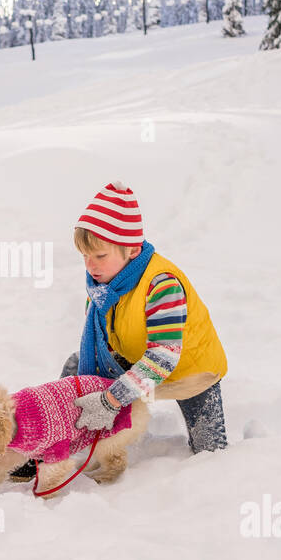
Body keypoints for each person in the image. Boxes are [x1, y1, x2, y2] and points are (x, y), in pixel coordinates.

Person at [56, 180, 229, 459]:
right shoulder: (104, 284)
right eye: (85, 256)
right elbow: (105, 337)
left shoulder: (161, 285)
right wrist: (97, 382)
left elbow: (163, 357)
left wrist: (111, 400)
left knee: (210, 456)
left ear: (132, 250)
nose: (90, 265)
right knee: (76, 366)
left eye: (99, 255)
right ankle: (60, 440)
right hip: (136, 360)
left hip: (190, 373)